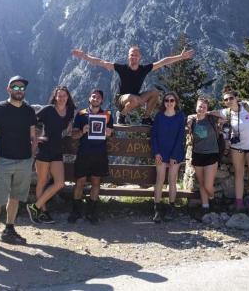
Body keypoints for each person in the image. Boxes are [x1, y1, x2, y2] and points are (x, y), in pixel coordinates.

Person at [0, 76, 38, 252]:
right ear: (8, 89)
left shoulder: (28, 111)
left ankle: (9, 230)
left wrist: (31, 157)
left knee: (15, 197)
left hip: (24, 160)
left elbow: (33, 136)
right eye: (15, 87)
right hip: (3, 161)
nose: (19, 90)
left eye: (22, 88)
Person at [72, 45, 194, 125]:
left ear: (139, 57)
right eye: (131, 55)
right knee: (134, 98)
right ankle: (122, 115)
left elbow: (163, 62)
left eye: (136, 55)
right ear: (128, 56)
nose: (134, 57)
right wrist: (84, 56)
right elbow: (101, 62)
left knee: (155, 92)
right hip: (121, 99)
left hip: (136, 99)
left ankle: (146, 118)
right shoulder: (122, 68)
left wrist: (180, 57)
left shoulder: (143, 69)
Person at [208, 87, 249, 215]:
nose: (228, 101)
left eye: (231, 98)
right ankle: (239, 203)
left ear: (237, 98)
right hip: (237, 147)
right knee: (238, 174)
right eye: (226, 99)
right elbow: (210, 112)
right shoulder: (226, 113)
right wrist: (194, 116)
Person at [26, 86, 76, 224]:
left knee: (59, 183)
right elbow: (31, 121)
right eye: (59, 96)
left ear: (68, 97)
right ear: (55, 97)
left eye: (64, 96)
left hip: (57, 149)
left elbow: (68, 128)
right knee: (42, 180)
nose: (61, 98)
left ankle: (34, 207)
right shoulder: (48, 110)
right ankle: (43, 212)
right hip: (44, 148)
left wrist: (71, 130)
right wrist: (36, 138)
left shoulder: (70, 111)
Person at [67, 89, 113, 224]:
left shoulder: (107, 115)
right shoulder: (81, 114)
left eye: (99, 97)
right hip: (84, 154)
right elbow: (74, 135)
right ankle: (75, 211)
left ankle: (91, 212)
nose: (96, 98)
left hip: (100, 154)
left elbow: (111, 133)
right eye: (93, 96)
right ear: (89, 98)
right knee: (80, 182)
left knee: (96, 182)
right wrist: (82, 131)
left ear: (102, 100)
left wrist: (110, 132)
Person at [150, 92, 186, 223]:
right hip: (161, 153)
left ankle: (171, 207)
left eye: (172, 100)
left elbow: (180, 137)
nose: (169, 103)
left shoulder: (180, 116)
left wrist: (174, 156)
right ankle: (157, 209)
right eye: (166, 100)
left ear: (176, 102)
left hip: (175, 153)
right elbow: (153, 136)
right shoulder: (159, 116)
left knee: (172, 180)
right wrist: (156, 153)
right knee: (159, 180)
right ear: (163, 102)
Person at [187, 97, 222, 220]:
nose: (201, 109)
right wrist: (192, 117)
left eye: (204, 107)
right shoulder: (192, 120)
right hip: (197, 154)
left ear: (207, 109)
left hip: (212, 153)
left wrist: (210, 112)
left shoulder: (211, 119)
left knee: (208, 185)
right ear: (196, 107)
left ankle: (212, 198)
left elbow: (225, 116)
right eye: (200, 106)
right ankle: (205, 206)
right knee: (201, 183)